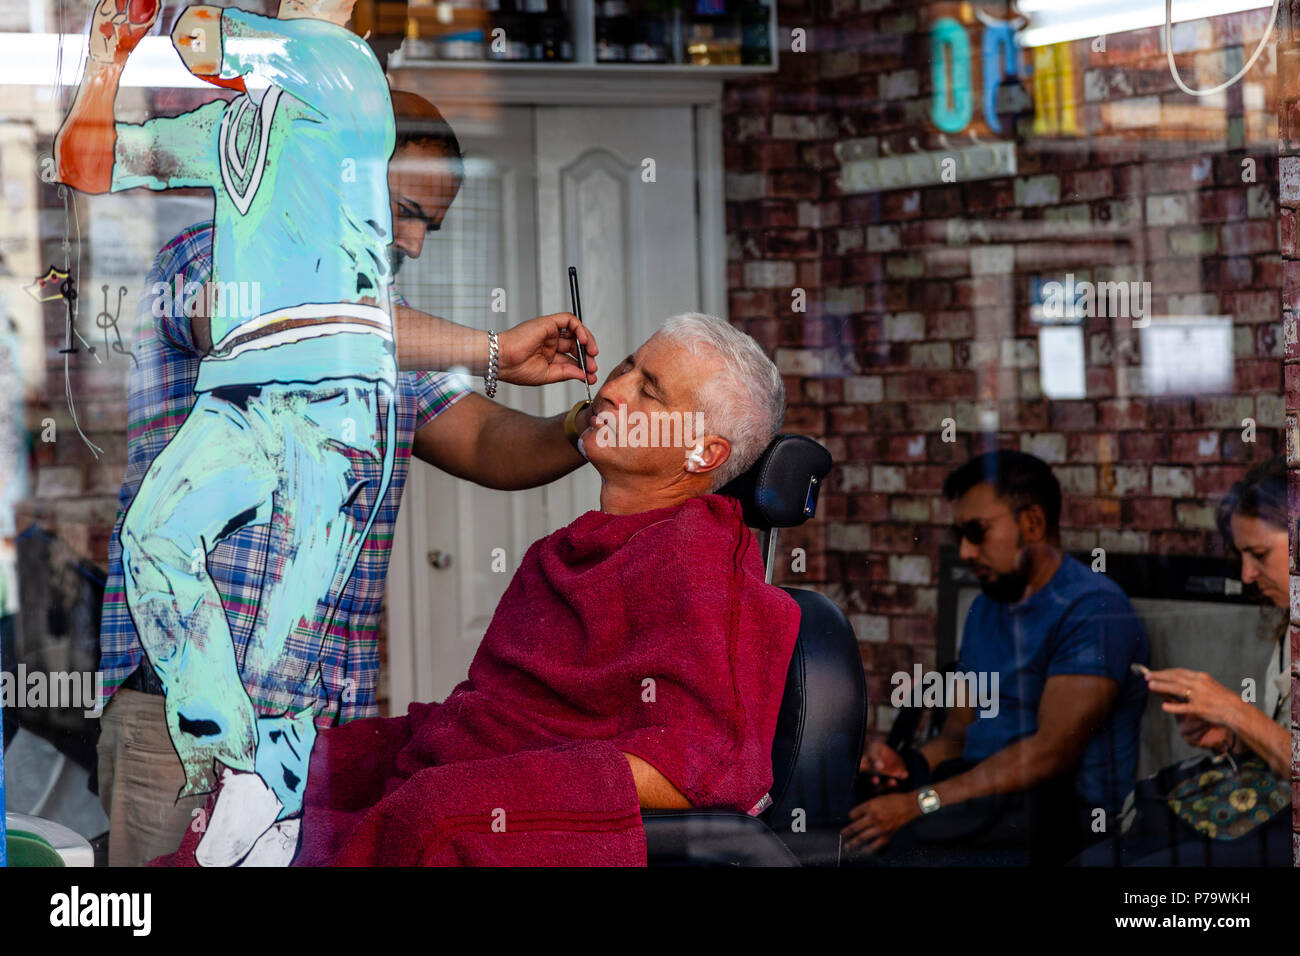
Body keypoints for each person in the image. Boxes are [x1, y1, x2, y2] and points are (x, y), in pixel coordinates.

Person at [94, 91, 601, 866]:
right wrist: (494, 347)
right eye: (405, 210)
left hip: (317, 739)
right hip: (182, 726)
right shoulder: (205, 257)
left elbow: (488, 441)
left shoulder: (390, 329)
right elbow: (278, 326)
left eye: (429, 222)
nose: (415, 243)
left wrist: (589, 427)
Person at [154, 313, 798, 867]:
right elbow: (495, 716)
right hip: (462, 773)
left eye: (649, 392)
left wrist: (476, 791)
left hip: (484, 813)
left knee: (429, 814)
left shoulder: (699, 561)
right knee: (281, 766)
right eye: (626, 365)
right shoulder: (565, 551)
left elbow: (713, 768)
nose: (614, 390)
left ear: (703, 454)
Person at [843, 450, 1149, 865]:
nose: (966, 552)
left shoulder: (1092, 609)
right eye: (959, 536)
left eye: (977, 532)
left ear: (1033, 523)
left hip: (1059, 814)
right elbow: (958, 735)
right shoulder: (987, 607)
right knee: (845, 820)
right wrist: (908, 766)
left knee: (898, 852)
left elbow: (1051, 752)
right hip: (979, 794)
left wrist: (922, 802)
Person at [1076, 457, 1292, 866]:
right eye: (1241, 555)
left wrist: (1235, 710)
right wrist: (1233, 737)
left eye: (1259, 554)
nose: (1247, 574)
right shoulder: (1288, 625)